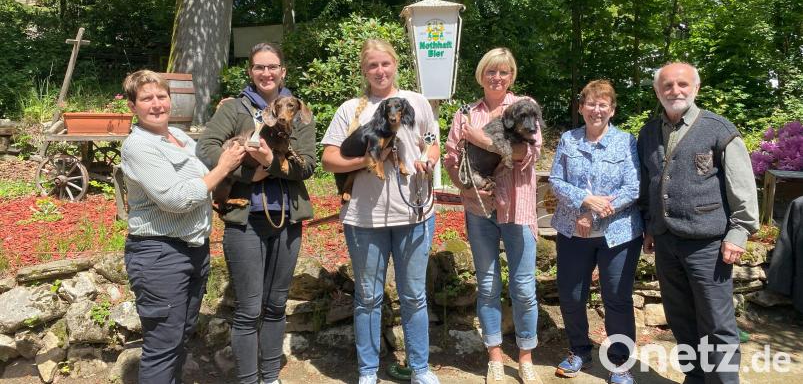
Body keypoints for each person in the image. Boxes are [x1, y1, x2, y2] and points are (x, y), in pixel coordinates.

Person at [321, 39, 441, 384]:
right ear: (364, 70)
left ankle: (419, 368)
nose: (380, 71)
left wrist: (429, 159)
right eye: (372, 65)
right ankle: (368, 371)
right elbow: (329, 159)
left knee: (414, 295)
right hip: (365, 218)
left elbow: (432, 141)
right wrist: (368, 160)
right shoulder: (351, 110)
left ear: (395, 65)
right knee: (369, 297)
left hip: (416, 214)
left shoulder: (416, 102)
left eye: (385, 64)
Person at [196, 43, 317, 384]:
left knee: (277, 304)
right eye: (259, 67)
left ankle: (270, 377)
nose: (266, 73)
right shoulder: (234, 109)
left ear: (283, 71)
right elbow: (205, 149)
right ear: (250, 71)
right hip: (244, 218)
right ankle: (249, 380)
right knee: (249, 309)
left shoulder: (298, 111)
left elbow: (306, 165)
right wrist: (248, 174)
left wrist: (269, 164)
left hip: (287, 220)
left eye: (273, 66)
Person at [121, 70, 245, 384]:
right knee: (163, 345)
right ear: (133, 106)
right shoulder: (138, 146)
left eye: (161, 96)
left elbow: (206, 165)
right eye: (146, 98)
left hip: (193, 250)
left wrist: (223, 123)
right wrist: (224, 167)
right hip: (160, 254)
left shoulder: (181, 138)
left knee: (179, 339)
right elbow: (176, 198)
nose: (156, 104)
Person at [638, 62, 759, 384]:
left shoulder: (719, 129)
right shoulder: (649, 132)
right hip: (666, 241)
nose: (675, 91)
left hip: (709, 243)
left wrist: (739, 232)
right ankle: (696, 378)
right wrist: (650, 225)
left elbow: (742, 186)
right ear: (657, 91)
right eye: (667, 86)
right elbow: (648, 184)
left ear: (696, 88)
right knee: (681, 320)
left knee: (716, 324)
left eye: (682, 84)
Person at [444, 47, 544, 384]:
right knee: (487, 286)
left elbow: (526, 153)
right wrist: (465, 187)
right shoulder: (465, 113)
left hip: (518, 207)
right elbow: (450, 157)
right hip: (479, 209)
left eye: (503, 72)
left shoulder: (524, 107)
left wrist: (481, 139)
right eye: (491, 71)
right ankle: (496, 357)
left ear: (511, 76)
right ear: (481, 75)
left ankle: (526, 356)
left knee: (524, 288)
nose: (497, 77)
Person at [548, 80, 643, 384]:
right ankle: (579, 350)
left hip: (617, 234)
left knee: (616, 297)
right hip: (572, 231)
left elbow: (633, 186)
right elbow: (556, 181)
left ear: (612, 110)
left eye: (603, 104)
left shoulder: (626, 141)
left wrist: (594, 214)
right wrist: (584, 203)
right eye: (590, 103)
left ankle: (619, 363)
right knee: (572, 295)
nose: (596, 110)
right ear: (581, 107)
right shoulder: (568, 140)